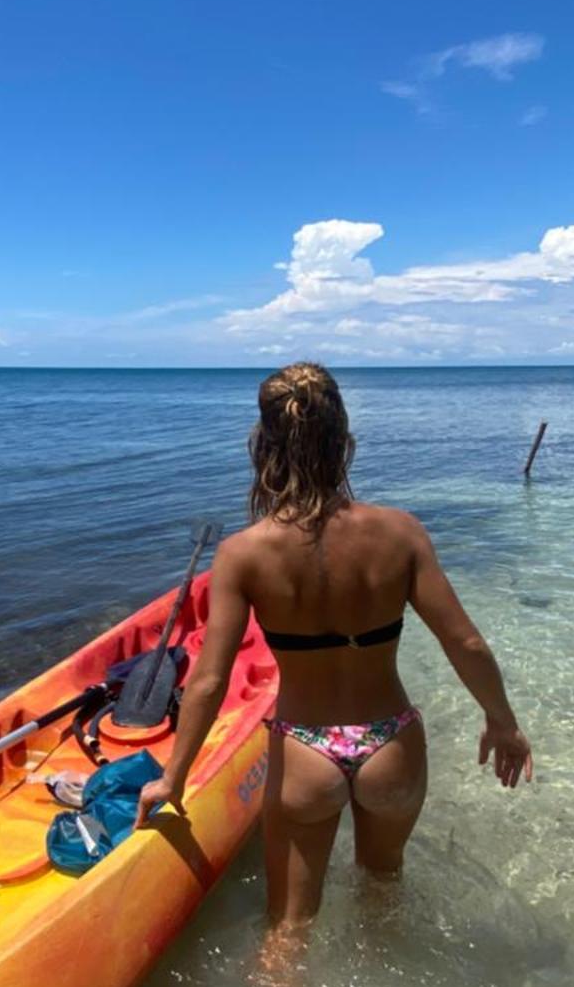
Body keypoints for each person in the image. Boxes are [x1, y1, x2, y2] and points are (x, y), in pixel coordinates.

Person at [135, 362, 533, 921]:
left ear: (261, 445)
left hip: (304, 751)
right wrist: (502, 720)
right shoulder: (402, 532)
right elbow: (464, 642)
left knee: (289, 929)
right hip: (392, 742)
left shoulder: (244, 553)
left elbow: (207, 679)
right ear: (345, 442)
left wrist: (171, 779)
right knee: (383, 893)